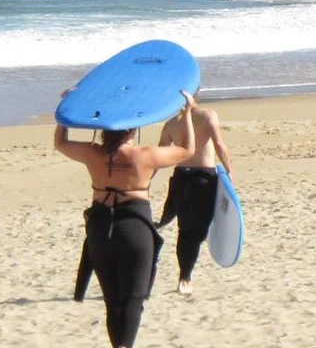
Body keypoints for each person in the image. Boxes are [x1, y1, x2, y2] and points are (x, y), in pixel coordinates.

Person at [55, 90, 197, 348]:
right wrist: (187, 112)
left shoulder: (92, 153)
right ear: (132, 130)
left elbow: (61, 143)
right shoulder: (145, 155)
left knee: (112, 299)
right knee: (133, 297)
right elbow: (187, 149)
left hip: (100, 229)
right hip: (134, 228)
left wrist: (65, 109)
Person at [155, 93, 234, 296]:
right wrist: (229, 173)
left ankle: (184, 276)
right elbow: (219, 145)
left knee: (185, 231)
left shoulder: (171, 124)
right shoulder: (208, 116)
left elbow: (159, 156)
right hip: (203, 180)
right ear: (196, 94)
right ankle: (185, 277)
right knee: (197, 232)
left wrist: (146, 179)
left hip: (181, 179)